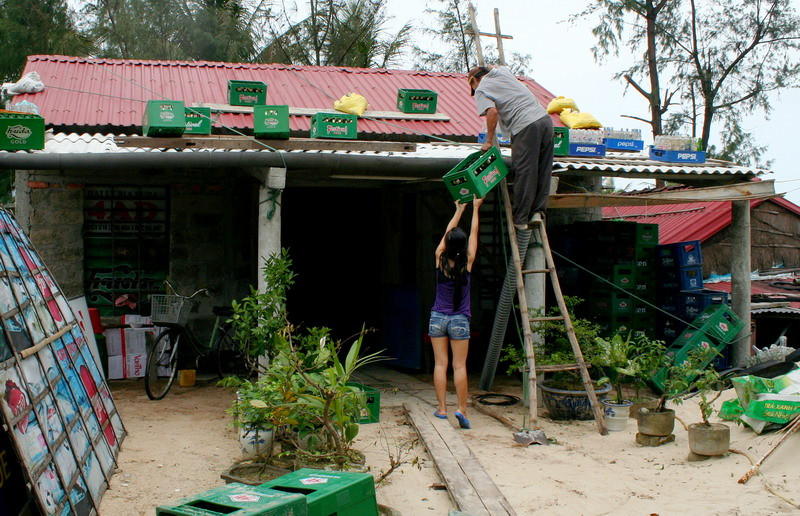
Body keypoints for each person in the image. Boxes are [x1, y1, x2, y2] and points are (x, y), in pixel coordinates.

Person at [467, 65, 554, 228]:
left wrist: (488, 141)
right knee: (543, 168)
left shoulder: (481, 89)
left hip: (526, 125)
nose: (474, 92)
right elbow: (495, 66)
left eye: (473, 87)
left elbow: (492, 112)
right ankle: (538, 212)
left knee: (525, 170)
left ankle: (521, 219)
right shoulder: (502, 72)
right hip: (545, 121)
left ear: (474, 81)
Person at [428, 196, 483, 429]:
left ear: (447, 245)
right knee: (459, 367)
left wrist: (458, 210)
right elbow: (474, 233)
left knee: (440, 364)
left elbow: (446, 235)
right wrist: (476, 208)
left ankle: (442, 409)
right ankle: (462, 409)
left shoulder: (439, 259)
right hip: (460, 319)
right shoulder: (467, 262)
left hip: (437, 317)